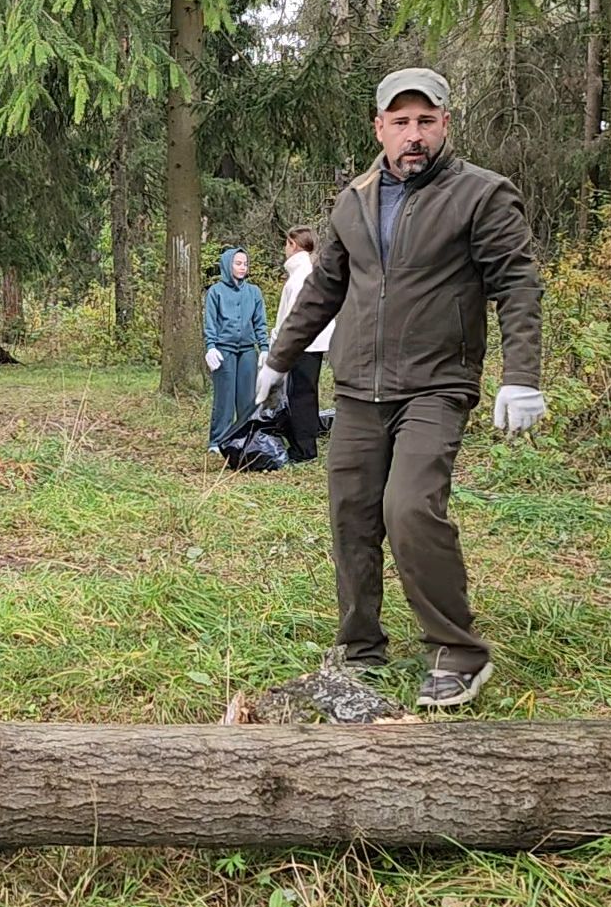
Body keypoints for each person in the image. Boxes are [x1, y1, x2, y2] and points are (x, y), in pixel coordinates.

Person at [257, 67, 545, 709]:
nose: (414, 135)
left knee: (410, 508)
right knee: (352, 515)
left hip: (436, 384)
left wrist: (521, 377)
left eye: (426, 121)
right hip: (358, 387)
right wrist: (277, 360)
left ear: (445, 124)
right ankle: (360, 648)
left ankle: (458, 650)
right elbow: (325, 288)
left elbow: (517, 285)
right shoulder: (354, 200)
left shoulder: (481, 195)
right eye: (401, 122)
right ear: (379, 127)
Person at [272, 226, 336, 463]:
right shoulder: (310, 271)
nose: (285, 249)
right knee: (307, 393)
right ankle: (306, 443)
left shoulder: (300, 277)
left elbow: (294, 316)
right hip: (315, 341)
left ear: (294, 245)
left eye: (286, 243)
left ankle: (304, 449)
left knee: (300, 395)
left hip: (303, 343)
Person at [203, 246, 268, 453]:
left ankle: (244, 437)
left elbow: (259, 322)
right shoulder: (216, 292)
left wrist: (264, 347)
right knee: (225, 397)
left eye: (245, 264)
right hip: (224, 350)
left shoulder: (254, 292)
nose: (242, 267)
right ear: (227, 265)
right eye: (238, 263)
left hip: (248, 350)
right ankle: (218, 441)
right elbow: (210, 322)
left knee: (247, 398)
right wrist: (210, 346)